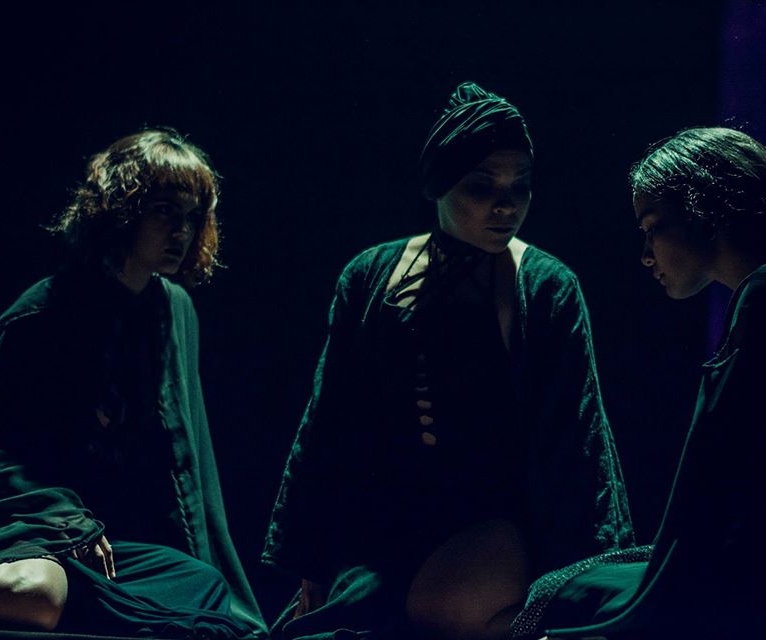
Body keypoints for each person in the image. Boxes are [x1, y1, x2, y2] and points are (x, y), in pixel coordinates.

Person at [262, 82, 634, 640]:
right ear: (439, 184)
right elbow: (328, 421)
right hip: (387, 525)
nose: (506, 205)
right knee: (336, 624)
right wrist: (311, 557)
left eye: (521, 186)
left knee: (447, 608)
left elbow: (577, 436)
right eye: (482, 186)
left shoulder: (544, 285)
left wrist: (581, 575)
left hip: (497, 523)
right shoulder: (370, 275)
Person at [514, 127, 766, 639]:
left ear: (704, 212)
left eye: (652, 228)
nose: (646, 254)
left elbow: (722, 482)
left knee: (560, 596)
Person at [0, 129, 266, 638]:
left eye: (192, 216)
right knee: (39, 592)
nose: (181, 231)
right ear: (122, 211)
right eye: (164, 211)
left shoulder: (173, 310)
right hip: (26, 526)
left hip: (111, 547)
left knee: (200, 584)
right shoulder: (46, 311)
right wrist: (63, 515)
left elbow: (185, 467)